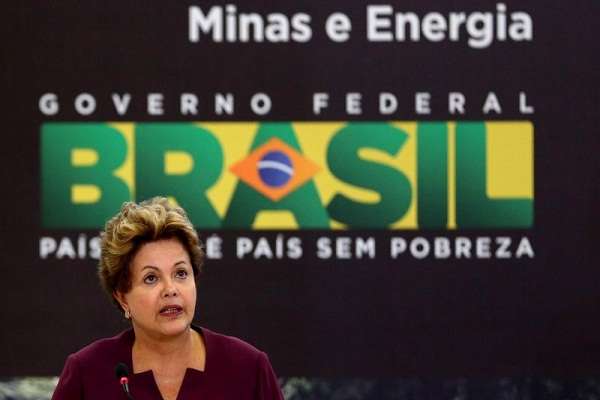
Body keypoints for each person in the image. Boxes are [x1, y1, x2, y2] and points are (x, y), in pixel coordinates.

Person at [52, 197, 284, 400]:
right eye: (151, 278)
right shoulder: (88, 373)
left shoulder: (248, 368)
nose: (170, 289)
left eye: (181, 273)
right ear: (122, 297)